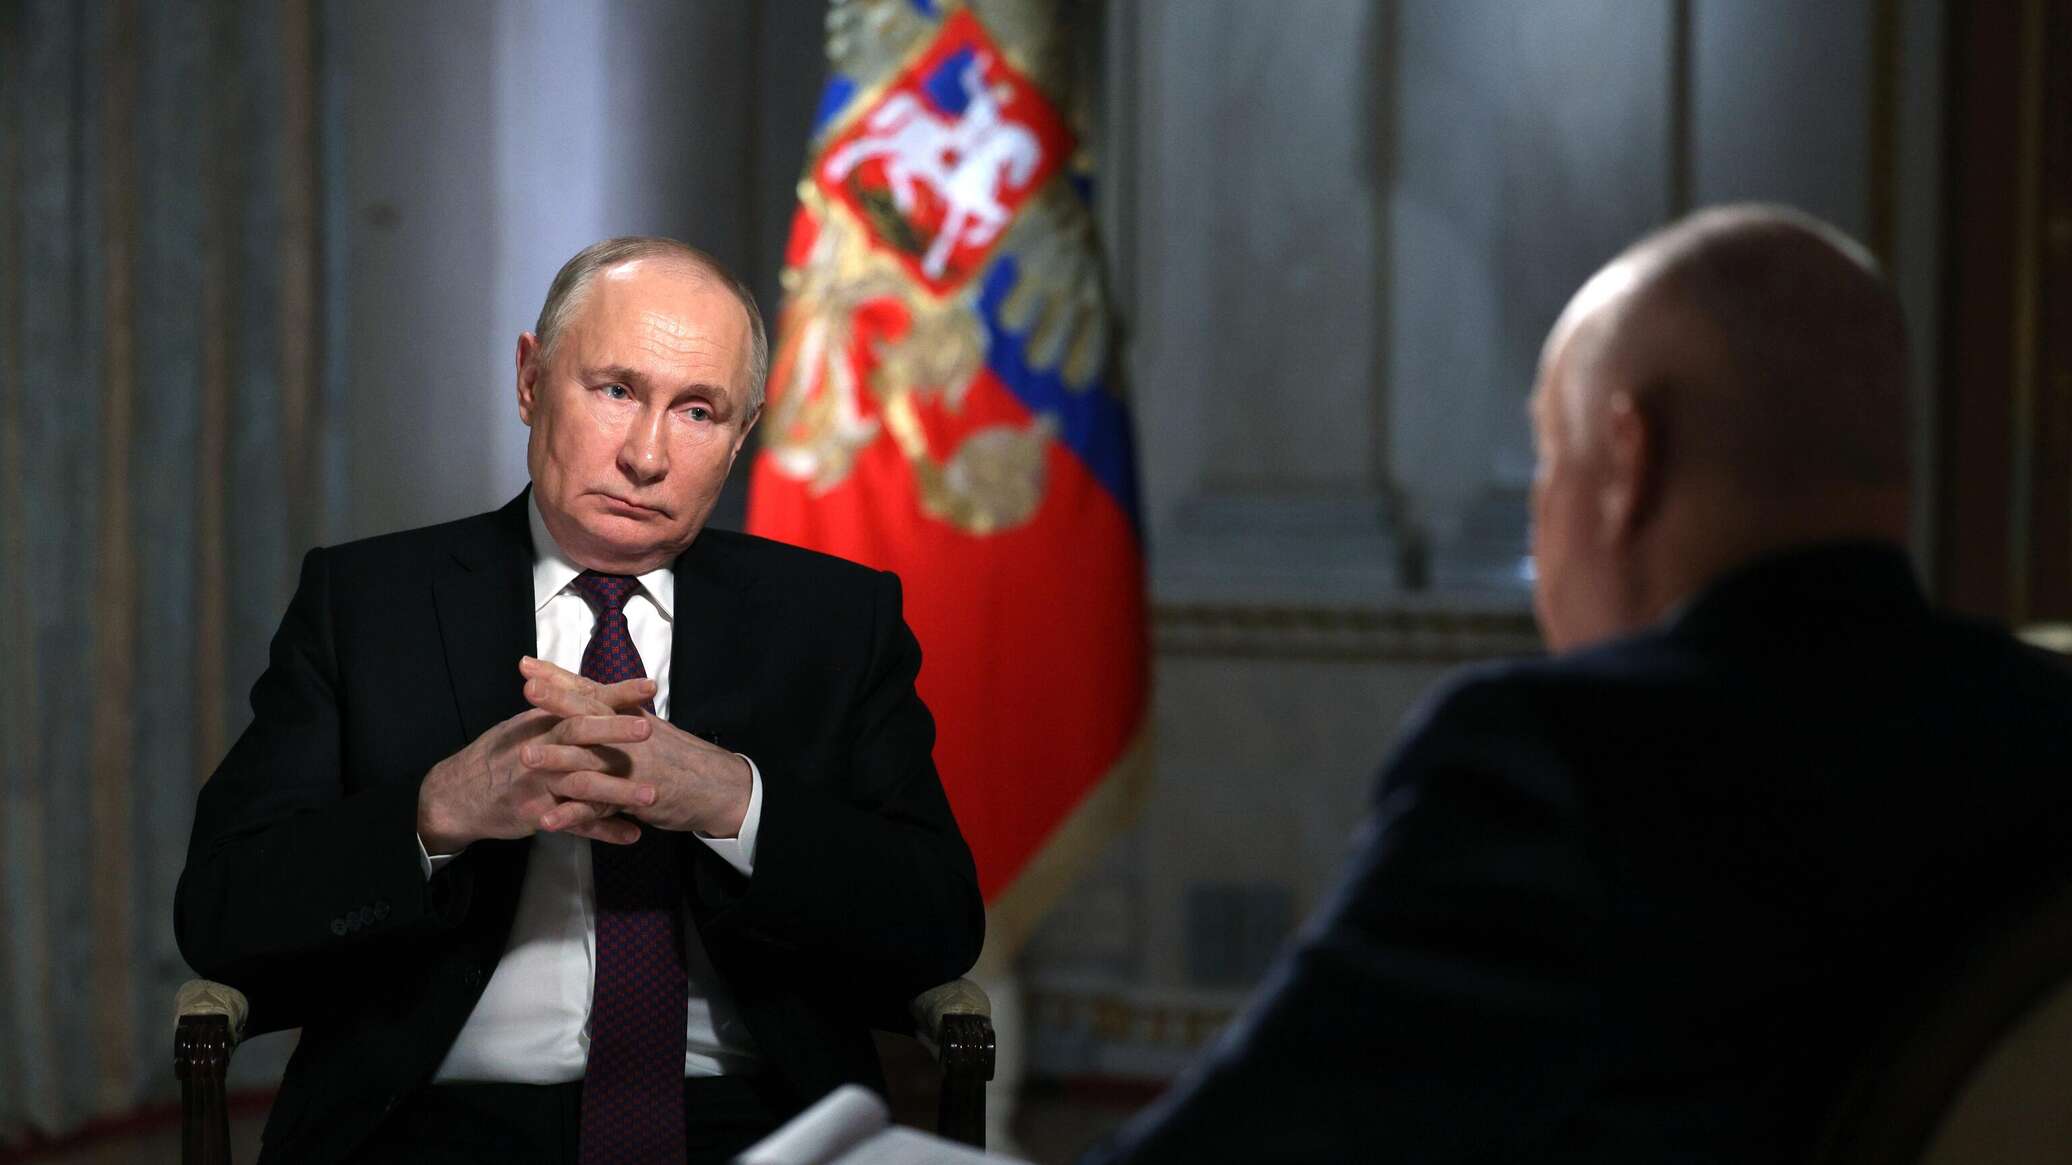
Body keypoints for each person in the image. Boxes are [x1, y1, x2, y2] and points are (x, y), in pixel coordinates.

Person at [1083, 205, 2072, 1162]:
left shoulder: (1553, 766)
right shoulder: (2045, 731)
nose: (1540, 514)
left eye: (1550, 457)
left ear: (1627, 460)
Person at [174, 237, 984, 1165]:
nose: (646, 455)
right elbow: (222, 913)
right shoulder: (366, 604)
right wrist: (436, 812)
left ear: (743, 433)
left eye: (698, 410)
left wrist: (736, 801)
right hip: (430, 1118)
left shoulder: (835, 620)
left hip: (750, 1119)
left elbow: (938, 922)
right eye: (616, 390)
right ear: (530, 380)